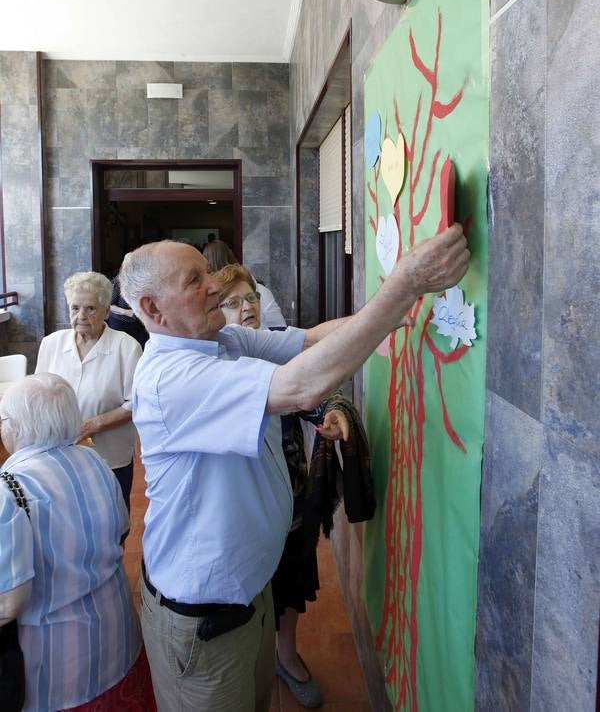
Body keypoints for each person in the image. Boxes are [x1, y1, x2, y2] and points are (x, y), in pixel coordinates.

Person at [118, 224, 469, 712]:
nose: (215, 284)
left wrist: (392, 313)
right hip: (205, 622)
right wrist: (403, 287)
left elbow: (309, 341)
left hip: (248, 597)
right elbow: (301, 387)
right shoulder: (170, 379)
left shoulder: (221, 339)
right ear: (153, 309)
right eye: (195, 280)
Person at [214, 262, 353, 708]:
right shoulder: (217, 362)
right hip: (239, 507)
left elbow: (314, 381)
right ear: (216, 315)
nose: (246, 308)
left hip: (291, 493)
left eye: (250, 298)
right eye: (232, 303)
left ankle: (286, 655)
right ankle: (250, 660)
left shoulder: (276, 343)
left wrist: (333, 413)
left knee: (291, 580)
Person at [0, 373, 156, 712]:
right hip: (118, 640)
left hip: (58, 671)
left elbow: (9, 603)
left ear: (18, 427)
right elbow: (120, 530)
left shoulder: (9, 490)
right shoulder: (97, 463)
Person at [35, 270, 142, 510]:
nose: (81, 316)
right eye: (75, 308)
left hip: (110, 456)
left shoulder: (126, 347)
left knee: (113, 519)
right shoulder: (51, 344)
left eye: (91, 308)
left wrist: (92, 425)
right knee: (66, 518)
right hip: (59, 453)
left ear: (106, 311)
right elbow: (38, 393)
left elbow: (136, 403)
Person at [203, 238, 286, 328]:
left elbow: (280, 329)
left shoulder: (257, 288)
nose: (248, 306)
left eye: (252, 297)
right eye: (233, 303)